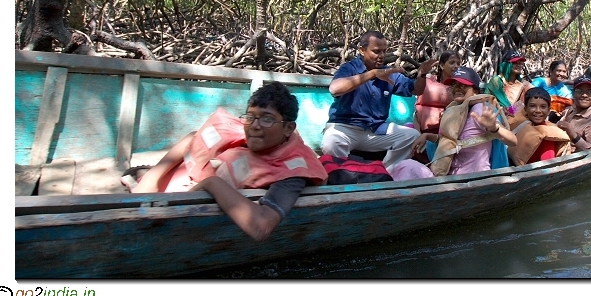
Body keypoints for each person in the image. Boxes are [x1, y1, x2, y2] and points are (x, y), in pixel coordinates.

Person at [131, 82, 328, 241]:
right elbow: (194, 138)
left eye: (267, 119)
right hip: (185, 181)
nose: (254, 126)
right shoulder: (248, 132)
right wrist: (152, 178)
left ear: (288, 128)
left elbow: (261, 227)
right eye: (251, 117)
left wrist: (211, 183)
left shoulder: (293, 172)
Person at [321, 30, 437, 174]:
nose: (382, 56)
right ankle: (341, 178)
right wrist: (373, 74)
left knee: (412, 136)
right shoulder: (350, 68)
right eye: (376, 51)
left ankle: (384, 174)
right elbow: (334, 89)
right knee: (331, 142)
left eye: (384, 51)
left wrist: (422, 74)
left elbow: (416, 90)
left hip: (376, 129)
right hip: (346, 128)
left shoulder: (388, 72)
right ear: (362, 50)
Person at [428, 66, 517, 176]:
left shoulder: (479, 109)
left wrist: (494, 127)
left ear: (475, 90)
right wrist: (427, 136)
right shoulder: (454, 109)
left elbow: (513, 140)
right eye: (454, 85)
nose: (457, 88)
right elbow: (448, 141)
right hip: (452, 175)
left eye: (463, 85)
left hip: (474, 177)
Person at [507, 87, 572, 166]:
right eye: (533, 106)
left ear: (549, 110)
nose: (538, 110)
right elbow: (511, 110)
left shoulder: (548, 136)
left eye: (543, 107)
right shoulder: (519, 121)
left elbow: (547, 166)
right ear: (525, 109)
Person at [557, 76, 591, 151]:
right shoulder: (573, 109)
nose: (584, 95)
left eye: (589, 92)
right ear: (573, 94)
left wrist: (574, 135)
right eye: (580, 91)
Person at [413, 50, 460, 135]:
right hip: (420, 127)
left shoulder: (460, 87)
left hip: (445, 131)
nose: (456, 66)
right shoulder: (428, 80)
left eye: (458, 64)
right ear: (442, 65)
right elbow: (417, 109)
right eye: (452, 63)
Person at [484, 49, 533, 116]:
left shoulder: (524, 84)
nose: (518, 65)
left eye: (520, 63)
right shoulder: (496, 81)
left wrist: (511, 111)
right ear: (506, 65)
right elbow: (486, 100)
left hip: (517, 116)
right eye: (515, 63)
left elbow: (530, 100)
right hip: (498, 115)